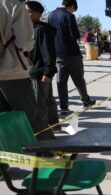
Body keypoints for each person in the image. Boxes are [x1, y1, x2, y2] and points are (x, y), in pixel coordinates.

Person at [0, 0, 42, 136]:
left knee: (3, 121)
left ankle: (9, 153)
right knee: (29, 119)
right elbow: (24, 42)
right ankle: (40, 152)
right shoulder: (14, 6)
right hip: (12, 71)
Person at [48, 0, 95, 115]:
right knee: (78, 78)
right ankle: (85, 100)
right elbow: (75, 35)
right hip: (72, 53)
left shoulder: (51, 15)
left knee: (61, 81)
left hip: (57, 53)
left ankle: (63, 106)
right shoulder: (69, 16)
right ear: (72, 6)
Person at [25, 1, 59, 139]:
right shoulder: (31, 28)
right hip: (38, 71)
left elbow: (48, 52)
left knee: (40, 105)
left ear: (37, 14)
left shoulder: (41, 30)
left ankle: (44, 134)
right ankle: (53, 125)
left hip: (39, 72)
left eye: (28, 11)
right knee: (48, 100)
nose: (25, 14)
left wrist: (48, 71)